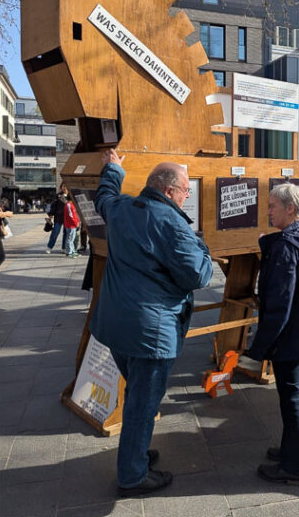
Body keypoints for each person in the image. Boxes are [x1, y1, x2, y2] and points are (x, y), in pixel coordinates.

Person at [89, 148, 213, 498]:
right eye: (187, 190)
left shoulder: (122, 208)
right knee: (143, 405)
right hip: (150, 331)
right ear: (170, 190)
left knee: (139, 396)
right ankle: (132, 474)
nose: (188, 195)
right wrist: (202, 245)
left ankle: (137, 451)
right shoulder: (172, 223)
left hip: (115, 325)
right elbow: (199, 276)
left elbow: (104, 197)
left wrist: (113, 169)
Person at [248, 183, 299, 484]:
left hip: (292, 331)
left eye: (272, 206)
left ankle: (291, 466)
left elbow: (278, 301)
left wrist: (260, 345)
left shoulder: (285, 246)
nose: (268, 211)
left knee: (292, 396)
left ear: (290, 209)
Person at [62, 194, 81, 258]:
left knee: (71, 238)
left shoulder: (71, 204)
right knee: (70, 238)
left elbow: (74, 215)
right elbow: (71, 216)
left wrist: (77, 221)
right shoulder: (69, 205)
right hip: (70, 224)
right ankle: (69, 252)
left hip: (72, 224)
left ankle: (72, 251)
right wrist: (76, 223)